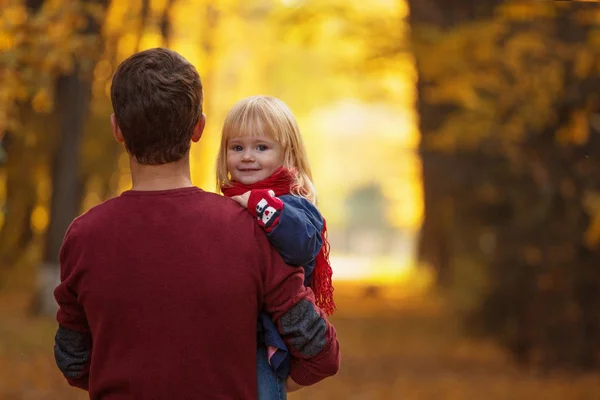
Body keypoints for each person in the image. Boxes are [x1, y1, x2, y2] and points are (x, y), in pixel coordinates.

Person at [53, 48, 340, 400]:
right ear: (199, 128)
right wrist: (261, 385)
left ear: (117, 129)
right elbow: (320, 353)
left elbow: (72, 357)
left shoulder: (84, 236)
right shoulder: (251, 231)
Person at [216, 95, 336, 400]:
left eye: (261, 147)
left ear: (288, 154)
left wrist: (259, 204)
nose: (247, 157)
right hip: (229, 332)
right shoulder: (227, 204)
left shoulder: (294, 204)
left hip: (268, 341)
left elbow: (301, 244)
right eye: (237, 147)